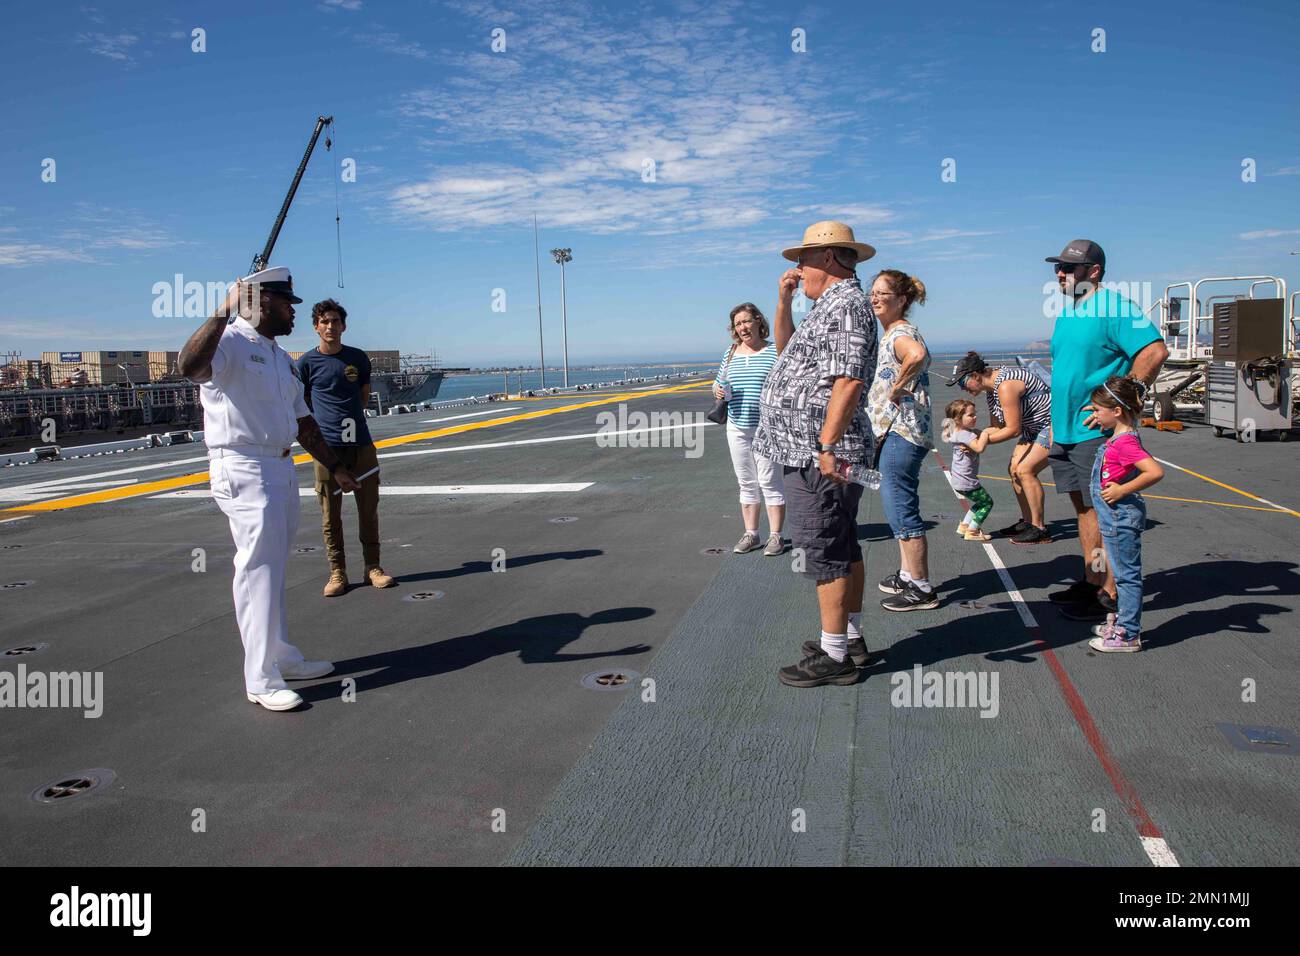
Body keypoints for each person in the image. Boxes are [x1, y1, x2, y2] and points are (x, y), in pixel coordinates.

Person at [178, 267, 360, 713]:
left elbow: (302, 421)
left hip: (279, 464)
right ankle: (259, 678)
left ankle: (280, 656)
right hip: (241, 463)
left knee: (274, 568)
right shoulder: (230, 343)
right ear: (259, 303)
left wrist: (335, 468)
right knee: (256, 569)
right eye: (286, 304)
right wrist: (223, 309)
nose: (293, 313)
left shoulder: (278, 357)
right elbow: (189, 366)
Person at [753, 221, 878, 688]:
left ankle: (835, 656)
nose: (796, 269)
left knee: (823, 547)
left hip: (822, 454)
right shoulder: (827, 306)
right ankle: (848, 637)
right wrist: (784, 301)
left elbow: (848, 380)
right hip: (813, 449)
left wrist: (826, 445)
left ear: (827, 259)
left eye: (801, 260)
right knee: (842, 542)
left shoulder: (845, 306)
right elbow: (787, 353)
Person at [1044, 240, 1169, 622]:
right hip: (1066, 431)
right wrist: (1053, 424)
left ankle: (1109, 592)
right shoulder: (1070, 313)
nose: (1060, 274)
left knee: (1106, 510)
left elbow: (1154, 351)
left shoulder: (1114, 306)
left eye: (1068, 268)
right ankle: (1093, 579)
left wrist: (1121, 401)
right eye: (1057, 268)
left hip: (1095, 433)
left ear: (1093, 271)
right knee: (1085, 510)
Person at [296, 299, 395, 596]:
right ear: (316, 327)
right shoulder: (306, 364)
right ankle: (337, 571)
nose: (330, 326)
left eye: (335, 321)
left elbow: (362, 398)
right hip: (326, 450)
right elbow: (303, 403)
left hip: (360, 444)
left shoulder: (358, 359)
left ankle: (372, 568)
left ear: (344, 326)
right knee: (330, 514)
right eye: (324, 321)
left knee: (369, 510)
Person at [866, 268, 937, 612]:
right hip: (900, 432)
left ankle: (921, 587)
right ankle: (909, 575)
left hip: (901, 432)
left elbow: (917, 356)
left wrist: (898, 386)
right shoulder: (896, 331)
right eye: (873, 293)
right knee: (897, 503)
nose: (875, 299)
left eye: (883, 294)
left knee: (900, 507)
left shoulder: (900, 334)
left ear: (902, 300)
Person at [1086, 376, 1164, 652]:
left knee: (1126, 577)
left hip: (1120, 516)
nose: (1094, 414)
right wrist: (1100, 414)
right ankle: (1122, 622)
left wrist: (1122, 491)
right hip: (1114, 518)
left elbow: (1154, 471)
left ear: (1117, 411)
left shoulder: (1125, 443)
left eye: (1097, 410)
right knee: (1122, 574)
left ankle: (1128, 633)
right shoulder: (1120, 435)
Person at [946, 351, 1052, 544]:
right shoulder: (991, 391)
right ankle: (1027, 522)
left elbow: (1012, 430)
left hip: (1050, 425)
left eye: (963, 383)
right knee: (1013, 470)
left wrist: (978, 443)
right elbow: (997, 427)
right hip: (1032, 429)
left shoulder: (1004, 386)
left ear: (976, 376)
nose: (962, 389)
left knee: (1025, 471)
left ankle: (1039, 528)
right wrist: (975, 437)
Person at [711, 303, 785, 555]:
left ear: (758, 322)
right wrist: (718, 390)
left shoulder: (774, 351)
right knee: (746, 482)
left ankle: (776, 536)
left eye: (746, 321)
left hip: (767, 428)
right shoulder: (730, 353)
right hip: (737, 426)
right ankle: (751, 534)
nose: (742, 327)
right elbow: (718, 384)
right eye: (738, 324)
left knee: (770, 482)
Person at [941, 399, 995, 541]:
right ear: (958, 419)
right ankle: (973, 531)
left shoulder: (956, 432)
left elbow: (972, 436)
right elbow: (979, 448)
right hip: (967, 481)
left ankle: (965, 525)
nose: (975, 417)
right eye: (971, 415)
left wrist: (977, 433)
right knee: (987, 503)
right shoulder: (966, 435)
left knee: (980, 502)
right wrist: (985, 433)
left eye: (974, 414)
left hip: (959, 480)